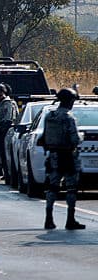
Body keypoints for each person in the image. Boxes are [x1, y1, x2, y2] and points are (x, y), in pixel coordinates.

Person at [42, 88, 86, 230]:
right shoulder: (68, 117)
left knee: (52, 187)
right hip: (68, 156)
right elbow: (74, 139)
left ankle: (49, 218)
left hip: (53, 155)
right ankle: (70, 219)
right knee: (71, 188)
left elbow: (45, 136)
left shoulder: (50, 115)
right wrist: (81, 137)